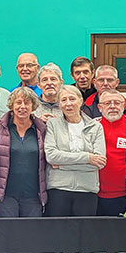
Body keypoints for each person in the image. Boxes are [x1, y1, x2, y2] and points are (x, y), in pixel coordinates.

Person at [44, 86, 106, 216]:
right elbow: (51, 156)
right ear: (59, 104)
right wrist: (88, 157)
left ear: (81, 101)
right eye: (63, 100)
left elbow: (100, 162)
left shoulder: (95, 126)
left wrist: (61, 165)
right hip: (58, 190)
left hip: (87, 190)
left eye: (72, 99)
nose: (68, 104)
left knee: (84, 234)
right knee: (59, 233)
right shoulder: (52, 124)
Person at [0, 88, 47, 217]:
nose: (22, 107)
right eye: (18, 102)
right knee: (8, 235)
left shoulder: (41, 129)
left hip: (33, 195)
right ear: (11, 105)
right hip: (5, 195)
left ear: (33, 106)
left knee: (31, 235)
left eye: (27, 103)